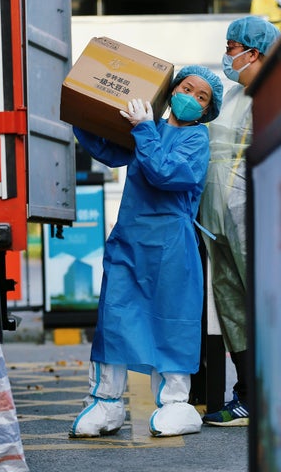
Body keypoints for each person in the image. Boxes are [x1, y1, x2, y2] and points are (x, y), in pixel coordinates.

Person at [69, 65, 223, 438]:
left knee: (171, 320)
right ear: (172, 91)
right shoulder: (146, 127)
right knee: (115, 317)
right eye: (187, 88)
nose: (192, 98)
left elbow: (165, 174)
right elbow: (106, 148)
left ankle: (176, 403)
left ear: (207, 110)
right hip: (130, 240)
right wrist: (85, 110)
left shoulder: (196, 139)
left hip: (171, 245)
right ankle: (106, 402)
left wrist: (143, 129)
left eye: (202, 97)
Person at [199, 16, 281, 427]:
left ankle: (279, 394)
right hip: (216, 217)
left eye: (233, 48)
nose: (227, 56)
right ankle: (247, 394)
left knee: (268, 302)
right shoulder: (230, 97)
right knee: (232, 307)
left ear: (256, 53)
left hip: (257, 214)